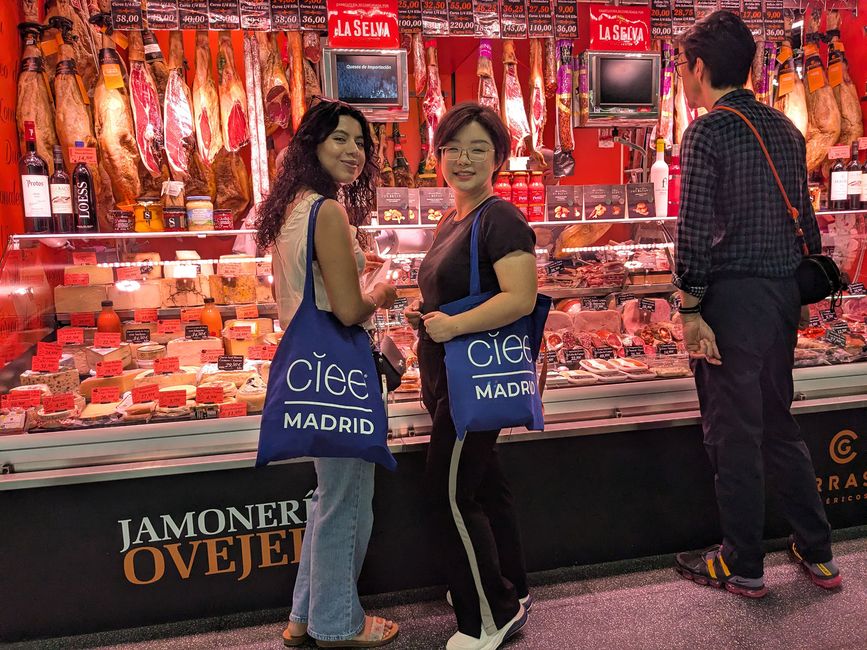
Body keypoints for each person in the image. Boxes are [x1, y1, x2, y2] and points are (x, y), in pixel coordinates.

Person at [671, 11, 840, 598]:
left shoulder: (707, 133)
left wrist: (689, 310)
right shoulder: (786, 131)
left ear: (698, 67)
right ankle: (817, 551)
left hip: (729, 302)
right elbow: (809, 226)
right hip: (779, 296)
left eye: (683, 69)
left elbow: (692, 233)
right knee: (777, 423)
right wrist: (796, 296)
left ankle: (741, 564)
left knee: (733, 433)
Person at [255, 100, 399, 648]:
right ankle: (338, 622)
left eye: (361, 143)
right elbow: (346, 310)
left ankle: (302, 618)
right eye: (340, 138)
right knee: (346, 497)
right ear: (313, 143)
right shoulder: (329, 212)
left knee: (327, 493)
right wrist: (380, 292)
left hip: (307, 368)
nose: (353, 152)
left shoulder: (293, 207)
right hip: (339, 370)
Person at [404, 103, 538, 650]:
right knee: (485, 486)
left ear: (498, 158)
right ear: (437, 156)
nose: (462, 159)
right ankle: (510, 586)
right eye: (452, 148)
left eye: (478, 148)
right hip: (451, 378)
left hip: (471, 379)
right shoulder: (454, 217)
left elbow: (521, 297)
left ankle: (489, 615)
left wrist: (452, 324)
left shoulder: (501, 217)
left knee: (449, 496)